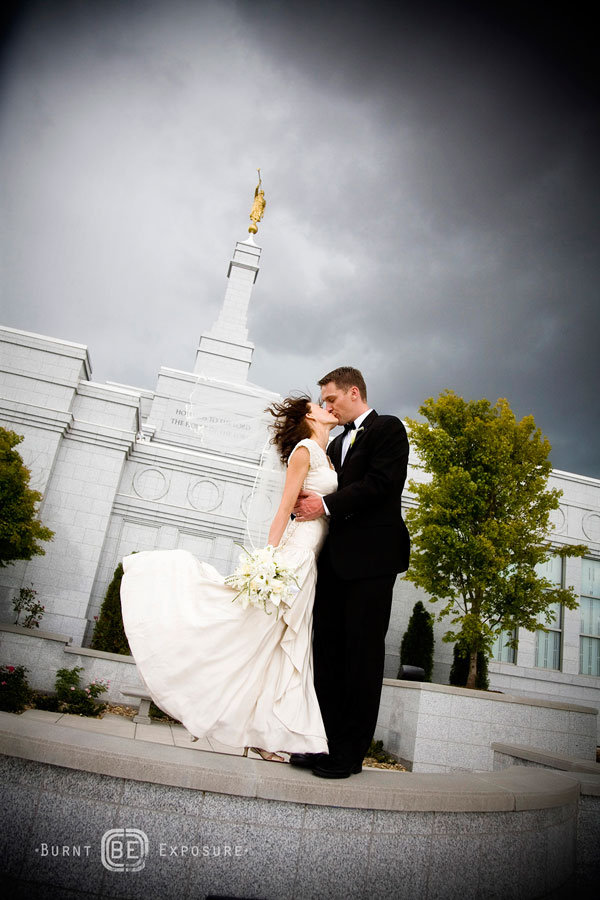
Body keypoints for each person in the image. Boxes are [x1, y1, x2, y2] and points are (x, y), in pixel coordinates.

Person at [119, 395, 338, 762]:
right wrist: (268, 559)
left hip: (310, 560)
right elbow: (285, 507)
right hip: (295, 557)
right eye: (320, 404)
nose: (327, 407)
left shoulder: (328, 455)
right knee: (253, 636)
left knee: (277, 648)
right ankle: (221, 709)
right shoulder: (305, 451)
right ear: (307, 416)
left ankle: (263, 734)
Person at [291, 366, 410, 778]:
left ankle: (349, 754)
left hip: (372, 562)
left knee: (360, 657)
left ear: (353, 391)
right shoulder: (336, 442)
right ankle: (321, 743)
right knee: (327, 655)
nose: (327, 407)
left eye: (331, 400)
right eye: (324, 402)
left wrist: (323, 505)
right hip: (334, 563)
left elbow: (382, 485)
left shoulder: (388, 429)